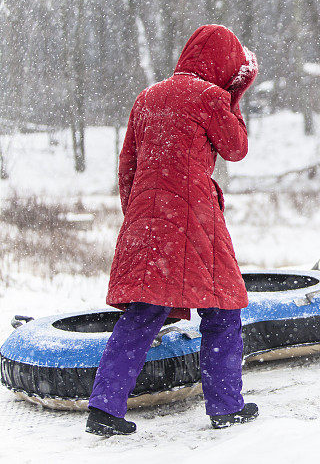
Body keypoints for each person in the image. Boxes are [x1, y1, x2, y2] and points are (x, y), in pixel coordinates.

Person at [85, 25, 259, 436]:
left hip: (148, 216)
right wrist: (232, 98)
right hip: (194, 217)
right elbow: (236, 148)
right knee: (222, 309)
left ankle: (104, 408)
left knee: (145, 310)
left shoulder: (148, 96)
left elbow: (127, 164)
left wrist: (140, 215)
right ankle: (226, 406)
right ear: (223, 65)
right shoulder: (211, 97)